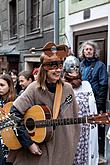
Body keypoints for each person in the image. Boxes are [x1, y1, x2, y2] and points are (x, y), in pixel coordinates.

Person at [6, 42, 80, 165]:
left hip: (62, 146)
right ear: (45, 69)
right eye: (53, 67)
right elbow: (13, 115)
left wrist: (72, 143)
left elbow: (74, 118)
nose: (58, 70)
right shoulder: (34, 88)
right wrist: (29, 144)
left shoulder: (67, 89)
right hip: (39, 149)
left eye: (60, 66)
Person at [63, 55, 99, 165]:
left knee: (84, 157)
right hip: (68, 129)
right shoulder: (61, 86)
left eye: (77, 67)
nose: (74, 70)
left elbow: (92, 106)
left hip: (85, 130)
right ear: (65, 69)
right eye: (71, 67)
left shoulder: (87, 85)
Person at [79, 40, 108, 158]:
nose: (88, 51)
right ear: (83, 52)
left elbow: (103, 85)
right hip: (82, 102)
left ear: (94, 51)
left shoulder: (100, 65)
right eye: (86, 49)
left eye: (90, 49)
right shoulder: (80, 64)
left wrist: (100, 103)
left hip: (95, 101)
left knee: (95, 125)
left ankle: (97, 153)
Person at [0, 74, 16, 164]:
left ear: (10, 86)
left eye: (2, 85)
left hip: (11, 140)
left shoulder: (16, 101)